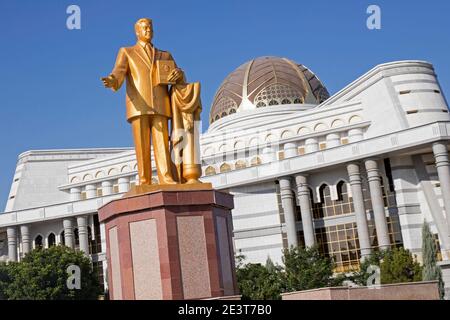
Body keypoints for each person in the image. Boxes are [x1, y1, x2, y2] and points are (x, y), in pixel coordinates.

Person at [102, 18, 184, 185]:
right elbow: (119, 71)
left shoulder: (165, 54)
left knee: (162, 142)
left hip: (161, 104)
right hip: (138, 105)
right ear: (137, 31)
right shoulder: (127, 51)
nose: (148, 31)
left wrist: (179, 74)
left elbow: (177, 73)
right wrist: (112, 80)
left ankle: (166, 177)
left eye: (150, 28)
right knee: (142, 145)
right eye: (144, 28)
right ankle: (144, 179)